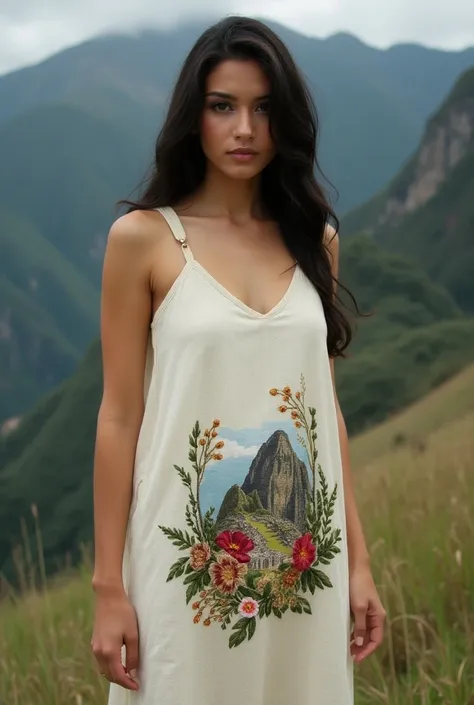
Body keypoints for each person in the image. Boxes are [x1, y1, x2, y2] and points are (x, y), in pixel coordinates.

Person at [90, 15, 385, 705]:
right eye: (223, 106)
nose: (244, 129)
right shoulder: (143, 241)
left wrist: (359, 562)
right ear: (194, 117)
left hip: (307, 563)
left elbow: (324, 410)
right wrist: (109, 585)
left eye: (263, 108)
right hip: (182, 567)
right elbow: (118, 416)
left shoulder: (316, 238)